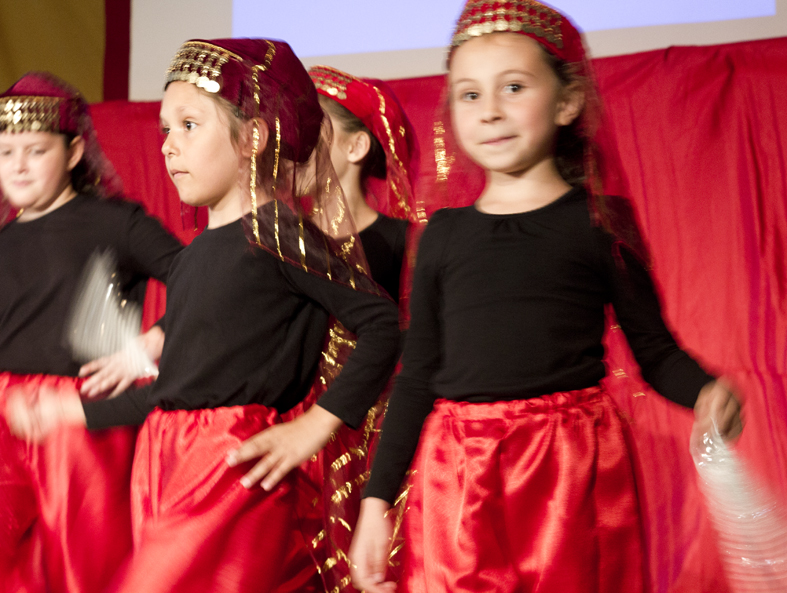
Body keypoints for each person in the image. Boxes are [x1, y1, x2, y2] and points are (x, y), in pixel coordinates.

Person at [348, 2, 743, 592]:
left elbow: (655, 351)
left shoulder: (599, 223)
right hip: (461, 473)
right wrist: (376, 503)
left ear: (567, 101)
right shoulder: (442, 236)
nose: (490, 110)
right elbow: (417, 375)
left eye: (513, 87)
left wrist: (707, 392)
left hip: (570, 471)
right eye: (469, 94)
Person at [6, 39, 401, 593]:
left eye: (189, 126)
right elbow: (174, 394)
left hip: (227, 460)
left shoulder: (276, 234)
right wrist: (75, 411)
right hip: (165, 461)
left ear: (253, 138)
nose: (169, 146)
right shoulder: (195, 256)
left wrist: (315, 425)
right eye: (166, 129)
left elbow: (381, 323)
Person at [0, 72, 182, 593]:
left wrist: (152, 341)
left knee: (83, 568)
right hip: (6, 417)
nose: (18, 165)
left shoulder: (114, 223)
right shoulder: (3, 239)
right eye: (6, 152)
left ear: (74, 151)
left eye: (36, 151)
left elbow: (206, 284)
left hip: (82, 421)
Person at [309, 65, 417, 303]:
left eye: (312, 130)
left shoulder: (404, 242)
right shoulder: (281, 238)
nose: (295, 145)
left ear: (356, 147)